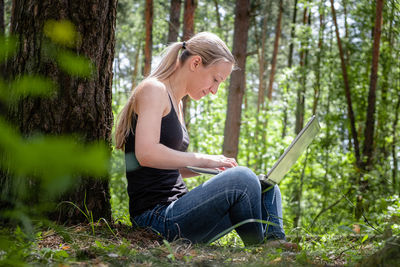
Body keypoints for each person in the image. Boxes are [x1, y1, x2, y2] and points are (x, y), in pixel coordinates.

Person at [115, 32, 294, 247]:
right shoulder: (154, 89)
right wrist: (206, 160)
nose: (215, 90)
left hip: (178, 212)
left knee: (264, 185)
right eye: (215, 79)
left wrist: (216, 173)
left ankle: (276, 243)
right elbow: (146, 154)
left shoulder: (177, 103)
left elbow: (168, 170)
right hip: (155, 219)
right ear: (196, 63)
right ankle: (260, 248)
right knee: (243, 178)